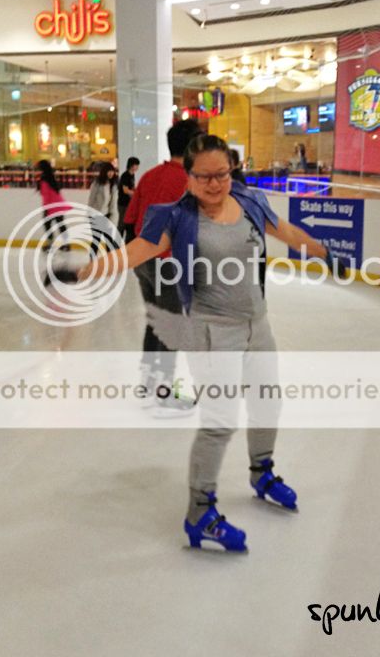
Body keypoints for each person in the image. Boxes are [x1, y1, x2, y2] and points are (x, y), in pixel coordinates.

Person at [79, 134, 345, 552]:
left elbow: (286, 231)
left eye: (221, 173)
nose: (214, 183)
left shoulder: (251, 202)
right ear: (188, 177)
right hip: (210, 332)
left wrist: (321, 251)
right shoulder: (176, 218)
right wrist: (93, 268)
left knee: (266, 402)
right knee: (220, 421)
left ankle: (262, 472)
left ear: (231, 170)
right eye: (203, 176)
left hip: (257, 324)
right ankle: (199, 512)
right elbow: (141, 248)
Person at [123, 118, 201, 410]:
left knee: (156, 320)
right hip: (169, 263)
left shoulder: (149, 176)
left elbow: (129, 220)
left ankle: (148, 382)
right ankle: (164, 391)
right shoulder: (189, 181)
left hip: (142, 260)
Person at [36, 159, 70, 250]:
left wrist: (46, 208)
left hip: (52, 206)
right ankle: (66, 244)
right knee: (60, 224)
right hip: (57, 204)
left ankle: (51, 244)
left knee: (48, 225)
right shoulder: (50, 177)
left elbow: (46, 195)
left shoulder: (44, 179)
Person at [87, 161, 119, 252]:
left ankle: (110, 261)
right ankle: (92, 262)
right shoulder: (97, 183)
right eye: (109, 171)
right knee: (97, 240)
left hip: (108, 215)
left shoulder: (114, 184)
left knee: (109, 240)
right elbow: (91, 199)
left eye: (112, 171)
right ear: (104, 171)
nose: (111, 173)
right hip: (96, 215)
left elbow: (113, 202)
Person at [117, 157, 140, 238]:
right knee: (122, 224)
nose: (137, 167)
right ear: (131, 165)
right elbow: (125, 190)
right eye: (136, 165)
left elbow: (131, 188)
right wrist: (135, 193)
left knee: (127, 223)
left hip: (129, 203)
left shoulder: (132, 175)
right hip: (123, 203)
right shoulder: (125, 176)